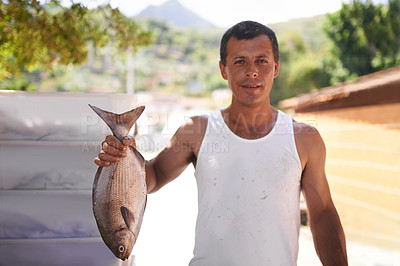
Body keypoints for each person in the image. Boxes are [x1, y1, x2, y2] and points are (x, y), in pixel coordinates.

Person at [94, 21, 348, 265]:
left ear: (276, 67)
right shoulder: (196, 130)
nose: (252, 71)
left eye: (262, 61)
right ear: (223, 69)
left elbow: (323, 213)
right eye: (240, 62)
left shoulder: (304, 138)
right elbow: (153, 177)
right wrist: (122, 157)